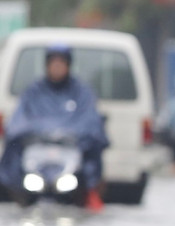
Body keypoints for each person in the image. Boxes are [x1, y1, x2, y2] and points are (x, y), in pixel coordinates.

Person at [0, 44, 109, 210]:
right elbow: (18, 122)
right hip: (37, 156)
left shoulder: (82, 93)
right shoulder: (33, 92)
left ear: (68, 65)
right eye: (53, 63)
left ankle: (89, 194)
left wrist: (78, 136)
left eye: (61, 63)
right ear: (47, 65)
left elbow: (91, 123)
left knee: (92, 163)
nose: (57, 67)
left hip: (71, 156)